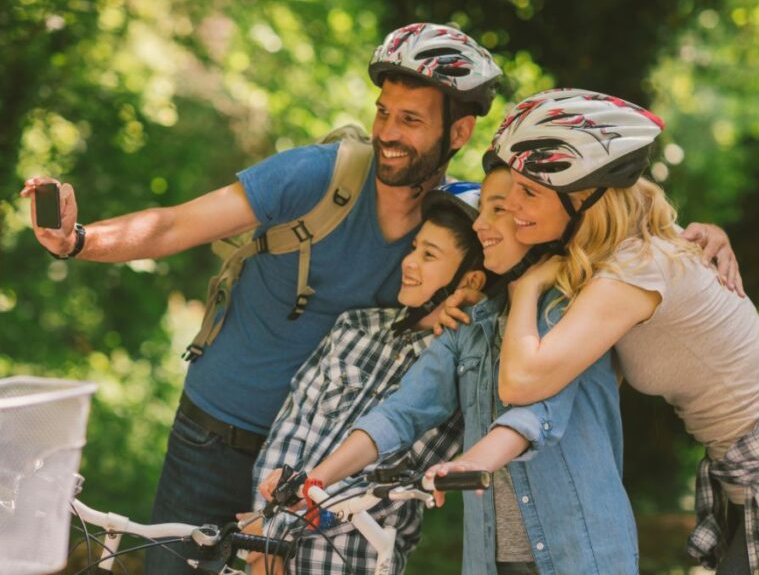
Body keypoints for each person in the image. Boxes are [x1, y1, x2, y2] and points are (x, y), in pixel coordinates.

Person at [22, 23, 504, 573]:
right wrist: (78, 240)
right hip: (218, 436)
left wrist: (453, 305)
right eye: (383, 112)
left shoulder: (456, 231)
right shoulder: (314, 175)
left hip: (318, 465)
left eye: (411, 120)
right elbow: (174, 225)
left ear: (460, 131)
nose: (388, 132)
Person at [260, 166, 639, 574]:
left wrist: (471, 462)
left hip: (579, 553)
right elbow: (400, 411)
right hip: (492, 559)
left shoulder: (571, 311)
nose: (480, 224)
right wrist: (315, 479)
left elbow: (538, 412)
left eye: (498, 210)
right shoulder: (470, 325)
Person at [488, 88, 759, 574]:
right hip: (747, 474)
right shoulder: (635, 251)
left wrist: (526, 289)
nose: (512, 204)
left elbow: (520, 382)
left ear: (583, 197)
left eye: (530, 192)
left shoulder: (636, 267)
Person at [248, 185, 485, 575]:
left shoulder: (462, 371)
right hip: (266, 547)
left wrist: (276, 530)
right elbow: (290, 429)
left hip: (349, 561)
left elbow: (388, 481)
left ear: (471, 280)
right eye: (413, 249)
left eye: (429, 255)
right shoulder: (353, 327)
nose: (409, 263)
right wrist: (265, 530)